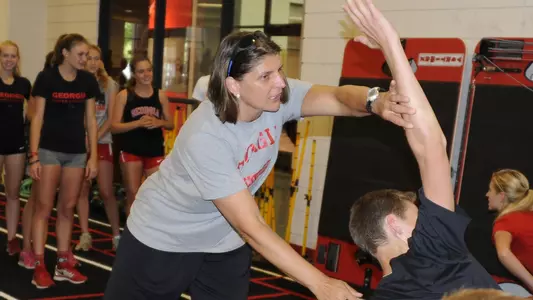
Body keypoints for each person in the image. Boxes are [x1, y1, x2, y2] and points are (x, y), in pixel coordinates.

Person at [104, 11, 417, 300]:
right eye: (265, 76)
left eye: (279, 71)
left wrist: (376, 101)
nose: (280, 83)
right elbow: (251, 225)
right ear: (233, 86)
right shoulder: (206, 136)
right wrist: (320, 282)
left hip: (223, 241)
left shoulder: (276, 97)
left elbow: (337, 98)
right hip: (164, 238)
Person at [345, 0, 501, 298]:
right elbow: (431, 146)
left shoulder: (388, 294)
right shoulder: (432, 251)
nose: (427, 217)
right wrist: (391, 45)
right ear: (396, 226)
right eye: (416, 215)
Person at [29, 33, 99, 289]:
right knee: (44, 208)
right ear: (65, 54)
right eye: (80, 54)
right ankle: (39, 264)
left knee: (67, 209)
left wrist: (92, 156)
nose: (85, 59)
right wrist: (34, 155)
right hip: (49, 151)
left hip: (76, 153)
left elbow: (91, 120)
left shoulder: (88, 81)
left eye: (86, 54)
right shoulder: (46, 78)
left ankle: (62, 263)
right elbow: (37, 118)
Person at [110, 55, 174, 216]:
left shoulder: (160, 95)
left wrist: (159, 122)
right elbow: (114, 127)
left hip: (154, 149)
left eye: (149, 70)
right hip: (131, 149)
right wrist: (137, 123)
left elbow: (170, 124)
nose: (146, 74)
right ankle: (130, 234)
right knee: (133, 193)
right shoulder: (124, 95)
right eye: (141, 71)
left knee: (157, 194)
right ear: (134, 75)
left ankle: (151, 232)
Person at [75, 44, 121, 252]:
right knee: (82, 189)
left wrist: (93, 139)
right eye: (89, 58)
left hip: (102, 141)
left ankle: (116, 234)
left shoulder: (109, 84)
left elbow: (111, 118)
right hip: (79, 142)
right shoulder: (76, 82)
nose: (93, 62)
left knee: (105, 190)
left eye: (96, 58)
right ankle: (85, 234)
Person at [0, 40, 32, 256]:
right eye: (5, 55)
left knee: (13, 194)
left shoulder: (23, 84)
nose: (9, 60)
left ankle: (12, 238)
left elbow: (33, 114)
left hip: (16, 144)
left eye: (13, 56)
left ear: (18, 59)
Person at [487, 169, 533, 294]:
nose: (487, 194)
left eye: (490, 190)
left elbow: (504, 253)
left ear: (501, 196)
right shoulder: (528, 215)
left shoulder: (506, 221)